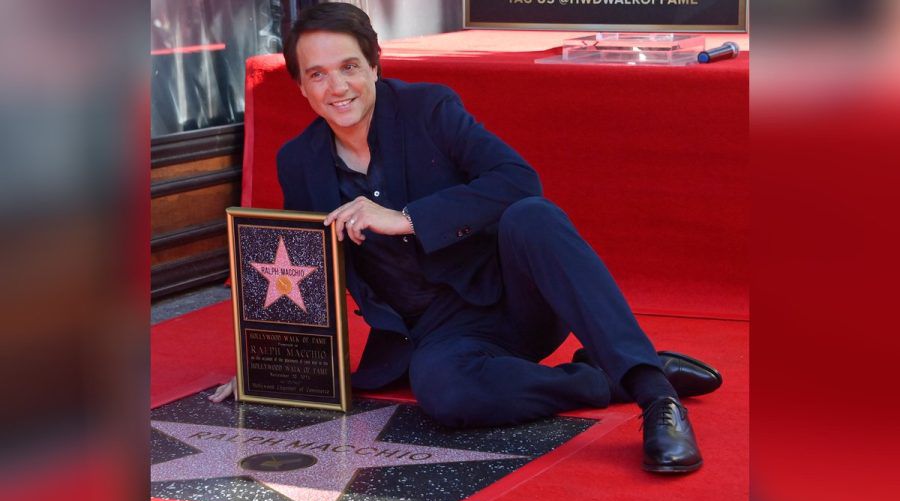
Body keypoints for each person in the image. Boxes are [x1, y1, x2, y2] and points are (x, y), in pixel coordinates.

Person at [211, 2, 722, 474]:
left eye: (348, 67)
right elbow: (303, 265)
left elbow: (518, 179)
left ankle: (656, 398)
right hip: (435, 334)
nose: (336, 87)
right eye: (317, 74)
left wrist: (406, 217)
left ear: (374, 65)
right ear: (300, 86)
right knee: (445, 395)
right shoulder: (297, 162)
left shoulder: (429, 109)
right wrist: (269, 366)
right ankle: (609, 374)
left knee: (533, 216)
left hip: (511, 299)